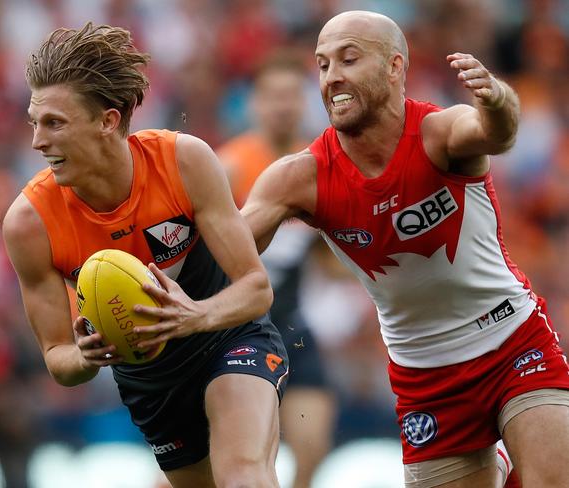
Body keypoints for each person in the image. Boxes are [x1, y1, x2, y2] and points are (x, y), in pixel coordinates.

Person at [241, 10, 569, 488]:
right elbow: (229, 245)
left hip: (512, 340)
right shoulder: (301, 177)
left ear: (395, 67)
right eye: (323, 64)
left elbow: (497, 132)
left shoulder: (439, 133)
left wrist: (497, 100)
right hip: (425, 375)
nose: (333, 77)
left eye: (348, 59)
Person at [2, 23, 289, 488]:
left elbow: (256, 289)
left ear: (108, 121)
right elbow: (58, 359)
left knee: (243, 477)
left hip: (228, 337)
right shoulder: (28, 223)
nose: (37, 141)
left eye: (54, 123)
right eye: (34, 123)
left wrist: (194, 315)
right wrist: (88, 356)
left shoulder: (184, 161)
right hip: (149, 380)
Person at [217, 52, 337, 488]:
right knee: (239, 458)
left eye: (291, 95)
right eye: (273, 96)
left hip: (293, 324)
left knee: (314, 444)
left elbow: (330, 253)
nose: (283, 105)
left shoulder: (318, 163)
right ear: (254, 104)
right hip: (235, 327)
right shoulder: (228, 167)